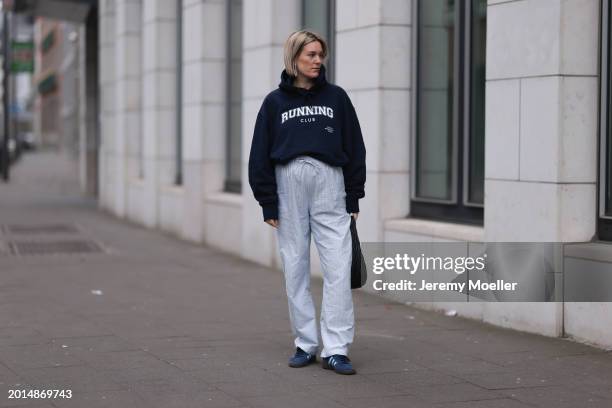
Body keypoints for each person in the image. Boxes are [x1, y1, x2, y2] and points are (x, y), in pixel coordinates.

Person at [248, 30, 366, 375]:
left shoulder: (337, 98)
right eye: (311, 54)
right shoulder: (274, 103)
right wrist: (267, 202)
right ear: (294, 58)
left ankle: (337, 348)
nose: (317, 61)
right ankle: (305, 343)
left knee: (338, 267)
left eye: (320, 55)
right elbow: (259, 154)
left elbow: (355, 147)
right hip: (288, 186)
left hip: (332, 183)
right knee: (295, 266)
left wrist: (354, 193)